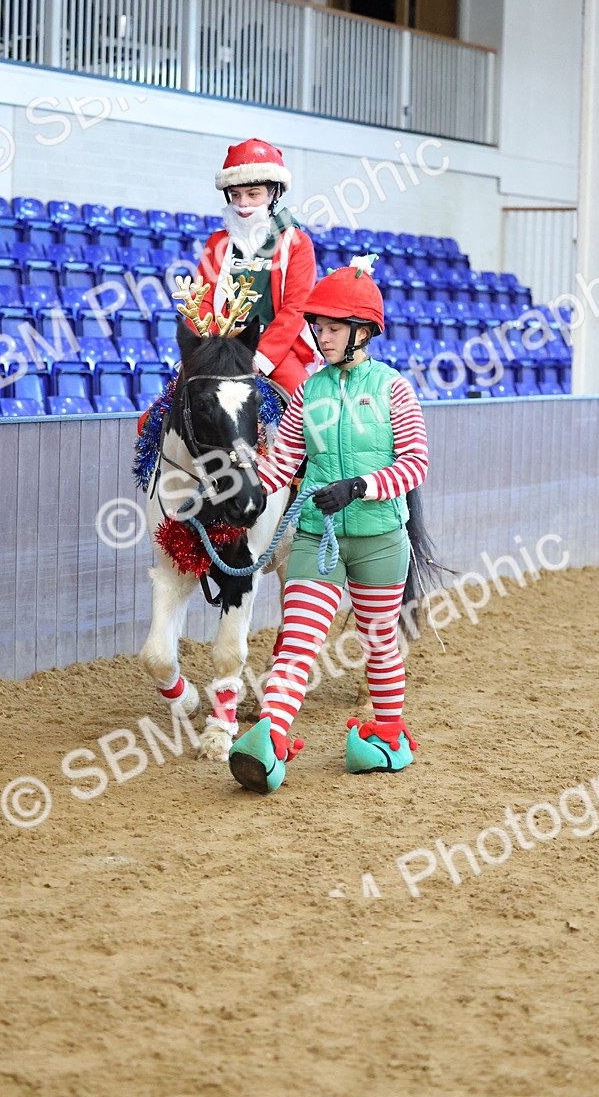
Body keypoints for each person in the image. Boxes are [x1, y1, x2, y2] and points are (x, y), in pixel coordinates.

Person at [228, 259, 430, 794]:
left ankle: (388, 732)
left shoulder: (393, 390)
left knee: (379, 641)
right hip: (318, 536)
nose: (322, 336)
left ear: (363, 332)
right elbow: (282, 463)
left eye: (334, 327)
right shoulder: (307, 393)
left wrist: (359, 486)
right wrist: (243, 491)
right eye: (318, 326)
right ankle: (270, 738)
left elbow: (415, 464)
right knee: (297, 641)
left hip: (381, 539)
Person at [197, 138, 319, 396]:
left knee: (309, 406)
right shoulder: (217, 243)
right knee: (159, 413)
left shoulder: (297, 242)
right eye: (236, 195)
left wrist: (260, 358)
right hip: (220, 349)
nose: (243, 204)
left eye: (253, 194)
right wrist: (214, 350)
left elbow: (296, 309)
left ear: (274, 193)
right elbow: (201, 301)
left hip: (276, 353)